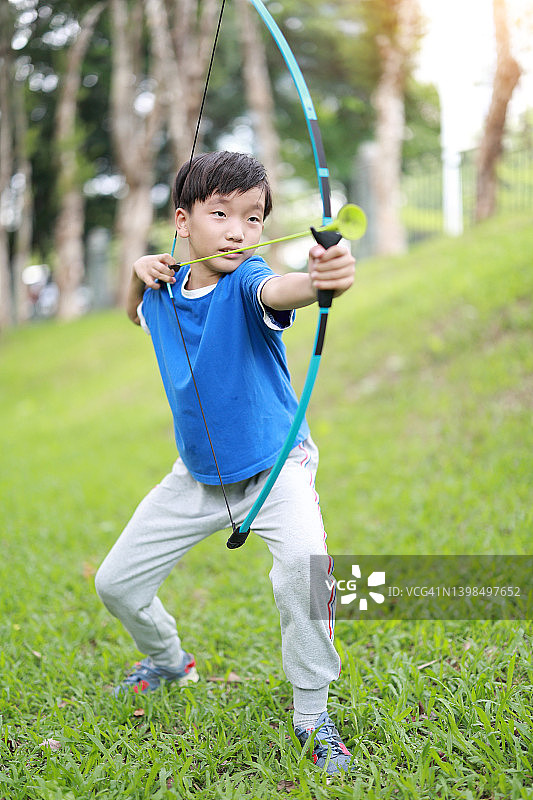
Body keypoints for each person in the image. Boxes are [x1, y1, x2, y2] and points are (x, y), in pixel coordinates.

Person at [95, 151, 356, 775]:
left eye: (254, 217)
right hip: (197, 478)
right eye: (221, 214)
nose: (239, 231)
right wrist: (136, 271)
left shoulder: (250, 283)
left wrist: (324, 278)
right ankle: (166, 662)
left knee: (304, 565)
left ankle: (313, 714)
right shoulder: (161, 291)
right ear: (182, 221)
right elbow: (131, 309)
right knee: (117, 584)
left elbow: (281, 289)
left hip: (274, 470)